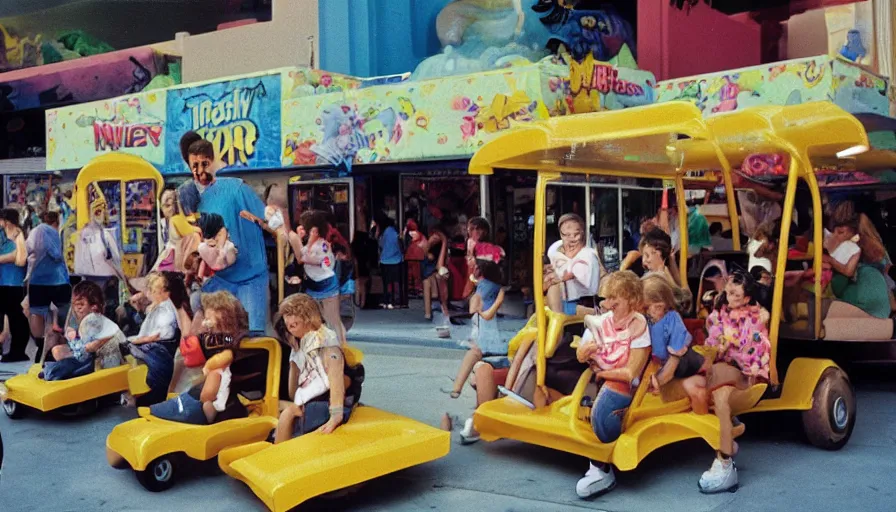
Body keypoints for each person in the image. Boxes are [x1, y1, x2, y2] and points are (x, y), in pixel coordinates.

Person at [177, 132, 269, 334]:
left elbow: (268, 218)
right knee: (208, 332)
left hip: (249, 274)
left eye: (204, 163)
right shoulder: (189, 197)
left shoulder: (235, 188)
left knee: (251, 335)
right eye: (194, 165)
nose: (199, 170)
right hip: (220, 278)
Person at [574, 270, 651, 498]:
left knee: (603, 408)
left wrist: (602, 373)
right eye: (606, 298)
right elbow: (581, 353)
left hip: (620, 384)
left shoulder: (639, 326)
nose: (607, 304)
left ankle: (601, 466)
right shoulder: (602, 322)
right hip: (596, 374)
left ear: (631, 299)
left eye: (614, 298)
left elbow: (630, 373)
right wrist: (582, 353)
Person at [698, 271, 771, 493]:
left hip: (744, 372)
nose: (729, 298)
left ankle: (725, 461)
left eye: (736, 296)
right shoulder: (719, 315)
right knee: (712, 392)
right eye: (728, 293)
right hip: (723, 369)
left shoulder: (756, 318)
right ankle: (727, 446)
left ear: (747, 298)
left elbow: (753, 352)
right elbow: (713, 338)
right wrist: (717, 346)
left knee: (717, 389)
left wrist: (727, 348)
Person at [274, 293, 364, 443]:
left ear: (308, 317)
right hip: (315, 399)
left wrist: (336, 415)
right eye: (286, 316)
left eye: (293, 316)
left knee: (288, 412)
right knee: (282, 409)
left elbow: (336, 379)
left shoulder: (327, 346)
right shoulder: (302, 346)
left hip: (331, 401)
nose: (288, 322)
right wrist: (294, 360)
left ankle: (278, 455)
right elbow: (292, 392)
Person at [150, 291, 248, 424]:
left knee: (212, 380)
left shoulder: (231, 341)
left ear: (222, 316)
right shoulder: (216, 338)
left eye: (208, 318)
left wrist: (209, 366)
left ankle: (204, 418)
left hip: (227, 385)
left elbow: (225, 356)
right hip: (219, 387)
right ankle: (200, 409)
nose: (205, 323)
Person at [443, 244, 507, 399]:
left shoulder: (484, 286)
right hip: (488, 328)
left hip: (484, 329)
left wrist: (474, 302)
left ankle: (457, 387)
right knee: (473, 354)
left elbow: (475, 307)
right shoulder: (494, 285)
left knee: (473, 354)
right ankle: (459, 386)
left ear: (481, 269)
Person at [642, 274, 708, 413]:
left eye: (646, 308)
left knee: (686, 372)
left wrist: (656, 382)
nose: (643, 312)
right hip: (660, 363)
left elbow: (673, 363)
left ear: (660, 306)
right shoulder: (647, 319)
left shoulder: (673, 320)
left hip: (682, 364)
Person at [123, 272, 189, 406]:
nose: (150, 294)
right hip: (157, 344)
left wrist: (134, 342)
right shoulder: (160, 307)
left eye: (154, 291)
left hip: (161, 346)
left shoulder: (167, 309)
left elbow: (157, 335)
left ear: (165, 292)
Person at [43, 281, 125, 380]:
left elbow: (89, 348)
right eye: (75, 305)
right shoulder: (83, 319)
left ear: (94, 307)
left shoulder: (94, 318)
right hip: (88, 353)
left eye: (81, 305)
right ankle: (54, 370)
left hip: (99, 359)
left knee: (59, 365)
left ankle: (54, 371)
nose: (77, 309)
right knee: (57, 351)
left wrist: (91, 345)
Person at [289, 210, 347, 346]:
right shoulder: (312, 243)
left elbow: (325, 261)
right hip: (314, 283)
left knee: (332, 319)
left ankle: (342, 347)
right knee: (319, 319)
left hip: (326, 284)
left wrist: (314, 259)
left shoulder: (322, 244)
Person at [824, 203, 891, 319]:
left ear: (855, 234)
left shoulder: (854, 250)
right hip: (879, 312)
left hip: (865, 311)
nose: (836, 236)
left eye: (840, 232)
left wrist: (830, 260)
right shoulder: (876, 247)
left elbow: (847, 273)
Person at [25, 211, 70, 364]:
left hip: (37, 281)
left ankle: (40, 346)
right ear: (56, 222)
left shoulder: (33, 232)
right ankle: (62, 345)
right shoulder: (52, 232)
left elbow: (28, 252)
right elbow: (57, 254)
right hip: (58, 280)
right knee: (65, 312)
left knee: (37, 313)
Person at [545, 213, 599, 315]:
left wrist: (558, 277)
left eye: (576, 234)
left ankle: (558, 319)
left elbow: (573, 273)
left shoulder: (588, 255)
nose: (572, 239)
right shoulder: (556, 254)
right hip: (563, 303)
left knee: (554, 288)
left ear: (583, 234)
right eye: (567, 235)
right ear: (561, 235)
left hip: (584, 304)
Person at [0, 209, 30, 363]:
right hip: (5, 281)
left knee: (15, 316)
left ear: (7, 220)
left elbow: (18, 257)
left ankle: (17, 351)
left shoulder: (17, 235)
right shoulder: (5, 235)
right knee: (12, 316)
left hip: (12, 281)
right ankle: (13, 350)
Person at [153, 185, 200, 273]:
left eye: (170, 205)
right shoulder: (173, 220)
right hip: (174, 257)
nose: (169, 209)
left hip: (173, 256)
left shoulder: (172, 220)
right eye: (165, 206)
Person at [421, 223, 451, 338]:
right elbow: (426, 254)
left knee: (434, 278)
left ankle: (433, 310)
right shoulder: (429, 250)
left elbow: (439, 265)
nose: (433, 237)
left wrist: (443, 242)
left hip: (436, 273)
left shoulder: (443, 248)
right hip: (430, 273)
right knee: (428, 280)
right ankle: (429, 312)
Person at [374, 212, 403, 309]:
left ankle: (387, 300)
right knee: (395, 281)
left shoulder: (384, 232)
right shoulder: (394, 231)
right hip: (396, 259)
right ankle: (395, 300)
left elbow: (380, 244)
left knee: (386, 282)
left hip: (385, 260)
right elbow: (398, 243)